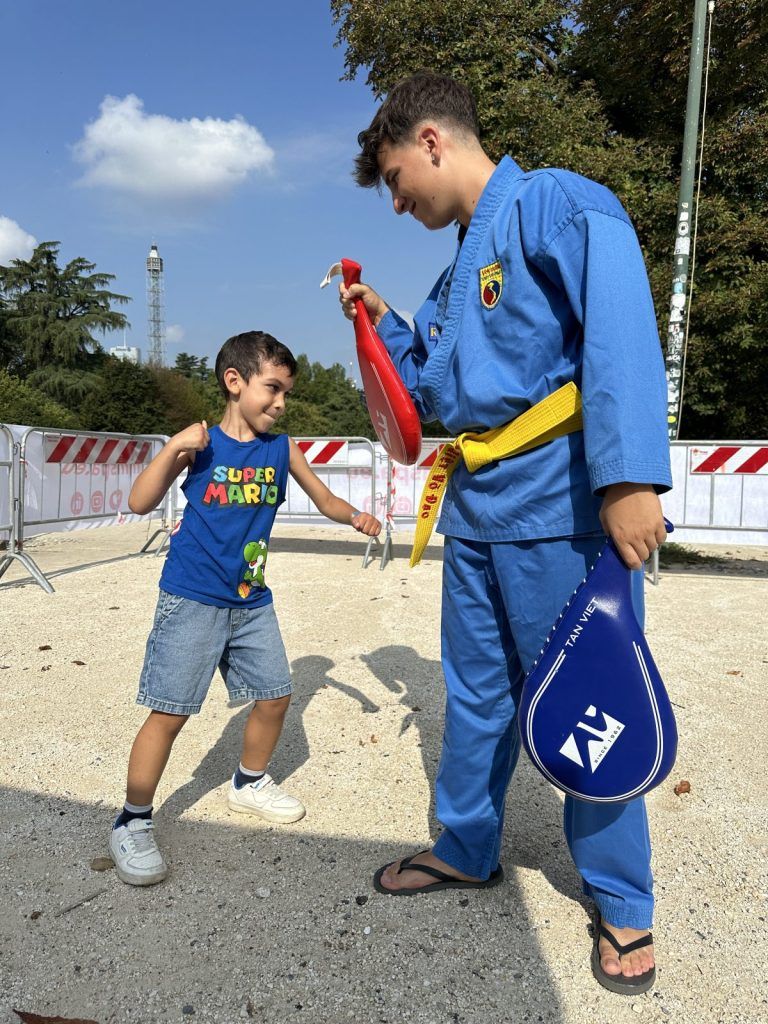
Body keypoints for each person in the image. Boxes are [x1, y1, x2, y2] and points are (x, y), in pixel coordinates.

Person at [339, 72, 671, 995]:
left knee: (588, 697)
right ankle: (467, 845)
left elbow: (619, 334)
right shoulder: (454, 276)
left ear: (434, 139)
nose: (399, 203)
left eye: (398, 180)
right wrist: (381, 329)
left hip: (561, 509)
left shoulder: (559, 205)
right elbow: (434, 394)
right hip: (479, 510)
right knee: (476, 695)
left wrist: (630, 476)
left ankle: (622, 896)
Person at [109, 330, 380, 887]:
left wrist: (357, 516)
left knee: (277, 696)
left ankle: (248, 782)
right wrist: (171, 449)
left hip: (251, 601)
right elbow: (139, 502)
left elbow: (324, 498)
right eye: (272, 389)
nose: (280, 404)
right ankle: (131, 820)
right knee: (171, 710)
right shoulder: (202, 443)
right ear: (235, 382)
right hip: (191, 599)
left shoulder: (282, 450)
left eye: (286, 394)